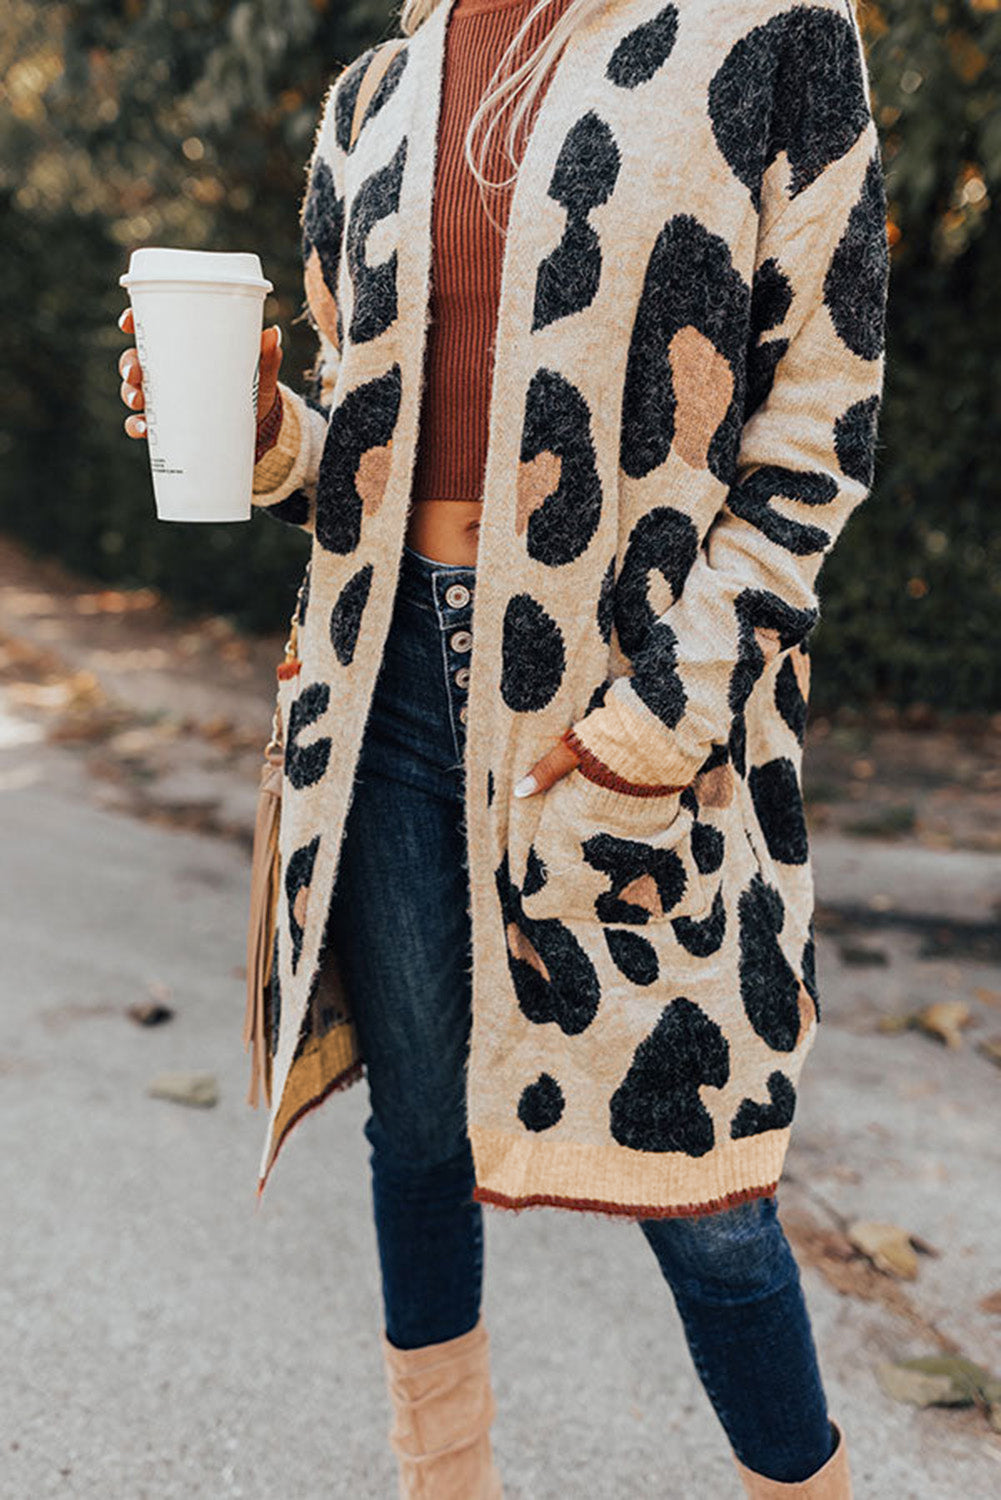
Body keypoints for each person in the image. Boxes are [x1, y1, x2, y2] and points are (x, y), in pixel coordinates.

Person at [118, 0, 889, 1493]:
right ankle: (440, 1481)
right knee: (415, 1132)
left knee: (704, 1179)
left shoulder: (773, 41)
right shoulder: (376, 96)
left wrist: (658, 725)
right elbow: (361, 448)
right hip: (388, 678)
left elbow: (816, 438)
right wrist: (258, 423)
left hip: (641, 707)